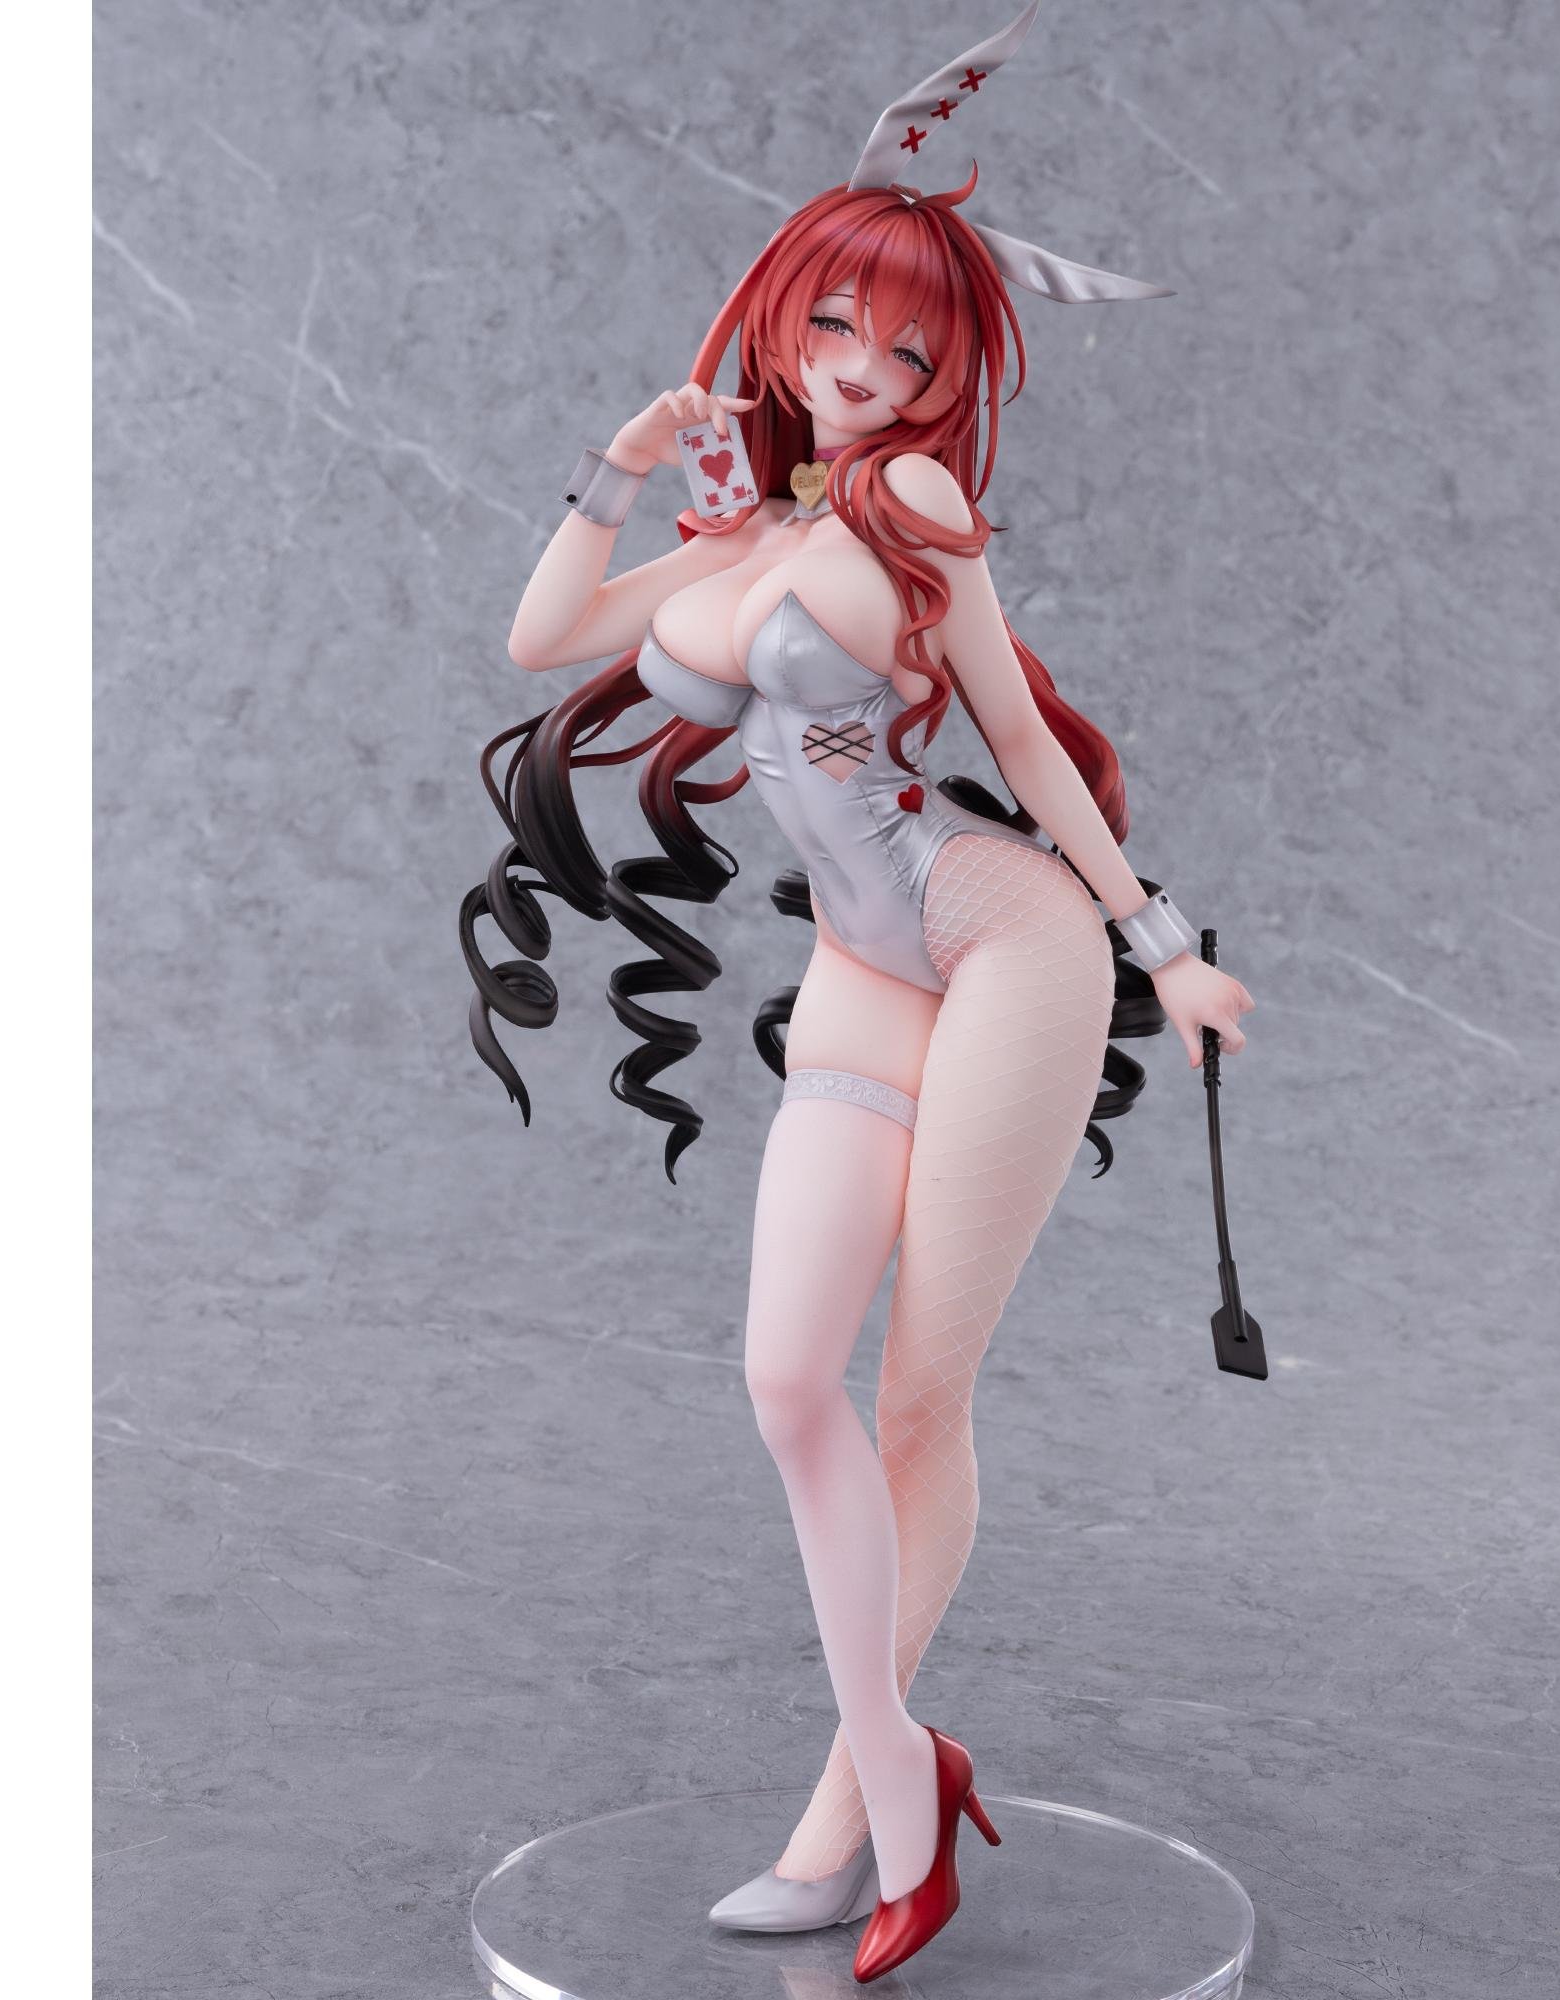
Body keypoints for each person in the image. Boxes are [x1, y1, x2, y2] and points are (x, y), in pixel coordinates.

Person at [461, 5, 1254, 1980]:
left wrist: (1163, 945)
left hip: (999, 941)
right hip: (854, 973)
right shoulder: (750, 530)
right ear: (780, 315)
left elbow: (1023, 741)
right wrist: (617, 468)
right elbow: (545, 636)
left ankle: (856, 1823)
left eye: (911, 356)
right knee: (782, 1380)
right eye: (839, 330)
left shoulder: (917, 517)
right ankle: (908, 1765)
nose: (868, 374)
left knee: (917, 1393)